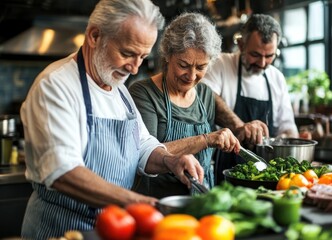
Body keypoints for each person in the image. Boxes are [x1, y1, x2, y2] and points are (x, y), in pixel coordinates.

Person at [19, 1, 204, 239]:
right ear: (95, 35)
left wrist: (171, 161)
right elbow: (63, 171)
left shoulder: (118, 89)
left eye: (143, 57)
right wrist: (139, 203)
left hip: (113, 228)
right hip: (61, 229)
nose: (135, 68)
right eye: (127, 53)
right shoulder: (55, 87)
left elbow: (142, 145)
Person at [129, 12, 241, 198]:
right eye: (183, 65)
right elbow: (143, 154)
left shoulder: (205, 94)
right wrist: (205, 139)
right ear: (167, 55)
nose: (191, 76)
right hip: (157, 203)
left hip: (203, 199)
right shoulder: (143, 93)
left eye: (200, 67)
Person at [202, 14, 299, 183]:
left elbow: (287, 125)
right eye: (255, 54)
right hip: (227, 170)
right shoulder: (221, 64)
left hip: (268, 175)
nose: (262, 63)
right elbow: (205, 95)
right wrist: (239, 127)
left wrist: (289, 144)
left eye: (269, 56)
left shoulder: (277, 78)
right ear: (241, 45)